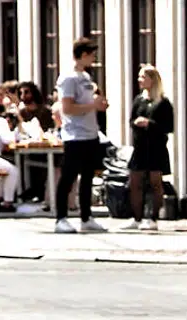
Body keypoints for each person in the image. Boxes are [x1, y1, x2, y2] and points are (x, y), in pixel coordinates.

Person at [54, 36, 110, 234]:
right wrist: (92, 105)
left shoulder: (86, 77)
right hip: (75, 135)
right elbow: (67, 108)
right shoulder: (68, 78)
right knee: (69, 176)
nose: (94, 59)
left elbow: (88, 104)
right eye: (92, 55)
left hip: (90, 134)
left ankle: (86, 217)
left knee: (88, 176)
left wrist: (98, 105)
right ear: (83, 55)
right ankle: (61, 218)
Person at [122, 65, 173, 231]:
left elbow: (168, 126)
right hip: (140, 147)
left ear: (152, 79)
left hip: (156, 147)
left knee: (155, 183)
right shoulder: (139, 100)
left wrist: (149, 124)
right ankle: (136, 218)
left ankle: (153, 217)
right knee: (135, 181)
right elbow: (131, 120)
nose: (139, 80)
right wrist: (136, 124)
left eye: (143, 77)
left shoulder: (163, 103)